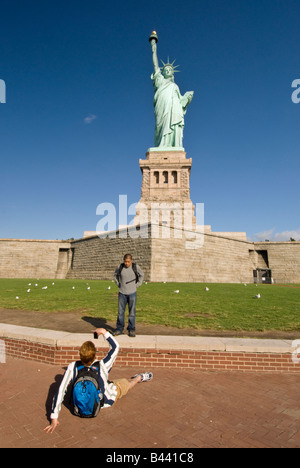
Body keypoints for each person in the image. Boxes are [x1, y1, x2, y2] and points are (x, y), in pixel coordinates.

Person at [44, 328, 153, 434]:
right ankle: (139, 378)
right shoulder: (102, 365)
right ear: (95, 355)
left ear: (81, 356)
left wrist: (54, 417)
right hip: (105, 401)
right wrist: (104, 332)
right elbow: (115, 347)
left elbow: (60, 390)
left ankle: (132, 379)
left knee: (110, 382)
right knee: (126, 383)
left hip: (77, 407)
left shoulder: (73, 367)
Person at [149, 31, 194, 148]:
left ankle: (173, 145)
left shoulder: (175, 86)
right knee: (161, 126)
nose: (168, 71)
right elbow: (155, 65)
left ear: (173, 73)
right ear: (163, 72)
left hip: (174, 110)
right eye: (166, 70)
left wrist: (186, 99)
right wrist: (154, 48)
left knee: (173, 124)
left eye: (170, 70)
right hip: (162, 106)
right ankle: (162, 145)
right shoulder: (160, 80)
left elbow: (180, 102)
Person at [113, 254, 144, 337]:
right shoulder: (120, 267)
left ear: (131, 261)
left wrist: (137, 284)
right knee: (120, 312)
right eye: (125, 261)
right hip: (122, 293)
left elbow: (141, 275)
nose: (126, 263)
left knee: (132, 313)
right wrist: (118, 283)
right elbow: (115, 275)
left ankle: (131, 329)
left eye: (128, 262)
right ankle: (119, 329)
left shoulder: (135, 267)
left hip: (132, 293)